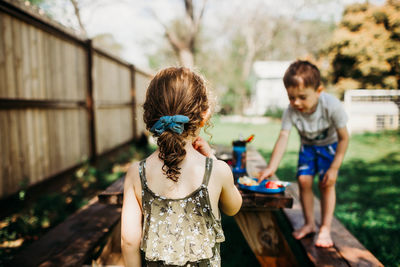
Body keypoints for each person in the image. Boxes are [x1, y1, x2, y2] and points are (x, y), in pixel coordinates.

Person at [121, 67, 242, 266]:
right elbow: (233, 207)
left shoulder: (137, 173)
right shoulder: (217, 171)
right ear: (205, 115)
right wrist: (211, 157)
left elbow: (128, 241)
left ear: (151, 116)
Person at [258, 60, 349, 248]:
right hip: (307, 148)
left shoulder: (332, 106)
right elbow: (283, 137)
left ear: (319, 91)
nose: (296, 102)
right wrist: (271, 167)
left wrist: (334, 168)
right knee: (304, 181)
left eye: (302, 97)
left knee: (326, 184)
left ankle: (325, 228)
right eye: (291, 97)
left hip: (329, 147)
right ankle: (309, 224)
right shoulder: (290, 111)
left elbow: (344, 138)